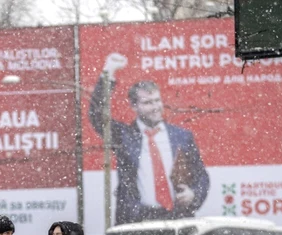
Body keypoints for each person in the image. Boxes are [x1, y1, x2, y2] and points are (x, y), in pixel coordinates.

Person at [89, 53, 210, 225]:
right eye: (148, 103)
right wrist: (108, 73)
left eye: (157, 101)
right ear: (134, 106)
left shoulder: (182, 136)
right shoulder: (124, 136)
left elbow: (201, 176)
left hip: (178, 219)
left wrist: (194, 194)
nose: (155, 107)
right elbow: (96, 116)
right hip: (137, 221)